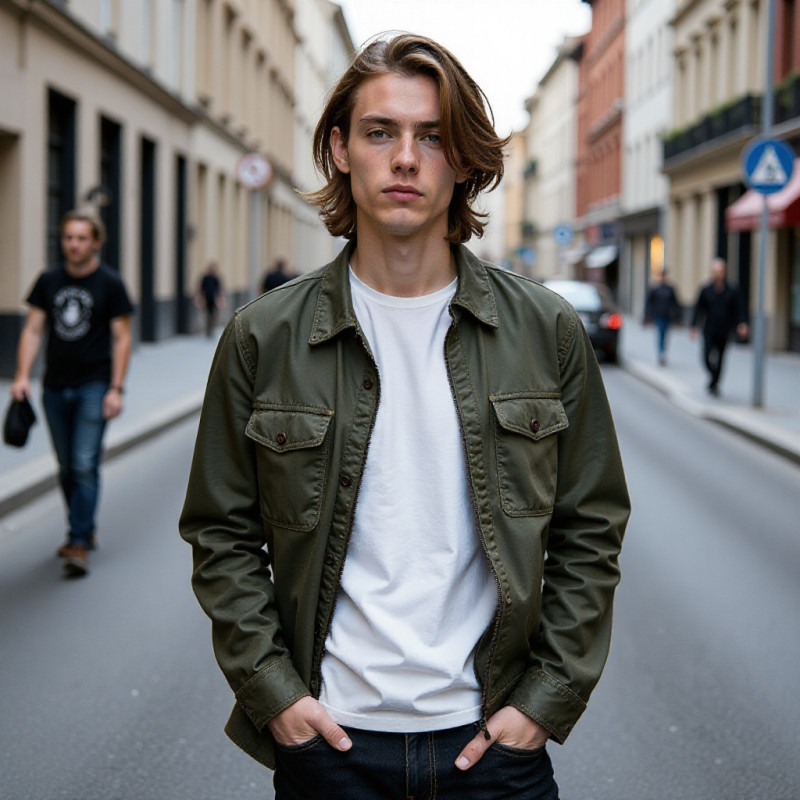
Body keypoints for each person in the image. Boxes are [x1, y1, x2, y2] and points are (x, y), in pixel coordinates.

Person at [180, 33, 629, 800]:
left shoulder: (545, 331)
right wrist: (276, 696)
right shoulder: (264, 336)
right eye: (381, 132)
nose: (406, 158)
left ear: (464, 161)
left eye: (433, 137)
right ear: (340, 148)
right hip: (330, 746)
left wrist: (543, 703)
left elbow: (591, 528)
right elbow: (220, 531)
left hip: (492, 750)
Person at [11, 210, 133, 576]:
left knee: (83, 463)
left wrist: (116, 388)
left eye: (82, 238)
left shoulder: (110, 283)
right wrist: (21, 376)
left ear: (96, 242)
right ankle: (85, 528)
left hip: (94, 385)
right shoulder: (48, 281)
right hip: (53, 386)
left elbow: (122, 337)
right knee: (66, 468)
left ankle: (77, 541)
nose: (74, 244)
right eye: (68, 237)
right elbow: (33, 330)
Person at [689, 257, 748, 396]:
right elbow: (698, 308)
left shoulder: (732, 290)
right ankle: (713, 376)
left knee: (721, 358)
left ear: (725, 272)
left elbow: (739, 309)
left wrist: (742, 324)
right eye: (715, 271)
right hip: (709, 329)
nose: (718, 274)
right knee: (705, 357)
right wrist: (693, 326)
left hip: (724, 330)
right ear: (712, 272)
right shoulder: (706, 290)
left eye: (720, 271)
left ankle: (714, 384)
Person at [644, 268, 681, 366]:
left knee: (665, 335)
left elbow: (675, 303)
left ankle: (663, 351)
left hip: (667, 315)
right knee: (660, 333)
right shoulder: (655, 289)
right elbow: (649, 303)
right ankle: (661, 353)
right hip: (658, 315)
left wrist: (677, 318)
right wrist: (647, 316)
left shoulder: (670, 289)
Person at [197, 262, 224, 337]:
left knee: (213, 315)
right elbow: (202, 288)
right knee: (208, 314)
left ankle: (211, 329)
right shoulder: (206, 278)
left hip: (214, 299)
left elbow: (219, 289)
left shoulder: (216, 278)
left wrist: (220, 298)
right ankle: (208, 330)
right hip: (207, 298)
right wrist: (201, 297)